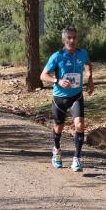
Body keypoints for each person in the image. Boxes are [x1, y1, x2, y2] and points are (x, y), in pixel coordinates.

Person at [40, 26, 94, 172]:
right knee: (59, 127)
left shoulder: (82, 53)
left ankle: (76, 159)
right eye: (69, 38)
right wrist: (57, 80)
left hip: (76, 95)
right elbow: (43, 75)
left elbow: (88, 64)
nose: (72, 40)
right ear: (64, 40)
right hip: (60, 97)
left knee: (80, 124)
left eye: (74, 37)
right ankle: (56, 150)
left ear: (77, 39)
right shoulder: (57, 56)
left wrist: (90, 79)